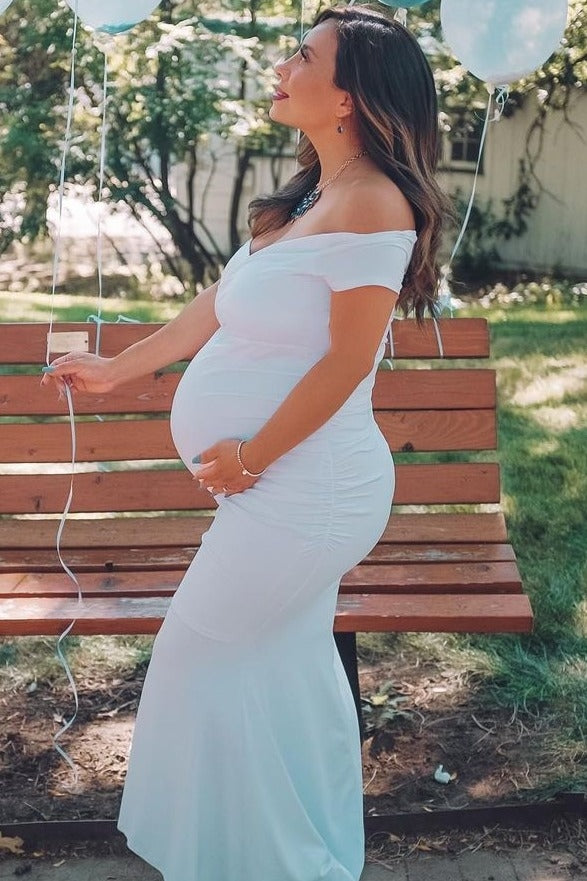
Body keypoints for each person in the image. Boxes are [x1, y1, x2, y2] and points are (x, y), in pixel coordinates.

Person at [41, 5, 454, 879]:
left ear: (348, 97)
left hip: (306, 489)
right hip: (279, 489)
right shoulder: (307, 199)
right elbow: (214, 307)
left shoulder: (372, 203)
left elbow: (348, 361)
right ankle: (294, 857)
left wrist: (251, 455)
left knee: (199, 651)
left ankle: (262, 858)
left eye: (302, 56)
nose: (280, 67)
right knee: (280, 668)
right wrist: (117, 370)